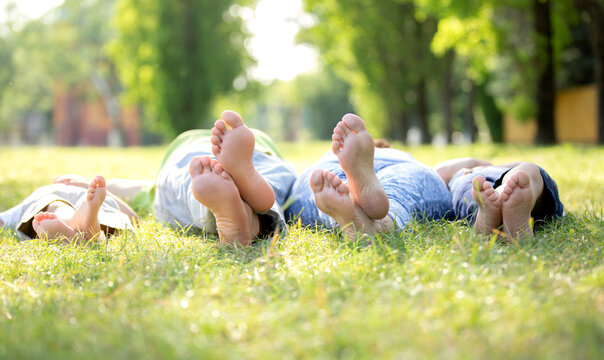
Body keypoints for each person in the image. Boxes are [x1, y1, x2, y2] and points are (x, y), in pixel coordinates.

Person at [285, 113, 453, 240]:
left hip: (330, 164)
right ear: (385, 146)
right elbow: (446, 170)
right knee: (399, 192)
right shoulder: (398, 154)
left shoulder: (330, 155)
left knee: (325, 187)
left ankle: (350, 204)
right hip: (399, 166)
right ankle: (381, 224)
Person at [151, 110, 297, 246]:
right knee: (273, 180)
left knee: (192, 180)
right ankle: (253, 221)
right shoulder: (258, 140)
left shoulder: (183, 143)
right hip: (266, 157)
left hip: (189, 151)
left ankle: (239, 215)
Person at [433, 157, 564, 240]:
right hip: (473, 181)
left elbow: (439, 173)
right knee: (527, 170)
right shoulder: (464, 173)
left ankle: (494, 203)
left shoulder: (459, 176)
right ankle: (500, 200)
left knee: (521, 175)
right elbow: (438, 173)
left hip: (474, 181)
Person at [0, 175, 136, 243]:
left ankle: (78, 225)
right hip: (99, 205)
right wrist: (88, 186)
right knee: (105, 223)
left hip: (57, 198)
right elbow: (133, 217)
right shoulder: (92, 195)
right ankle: (86, 228)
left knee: (56, 207)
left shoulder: (45, 192)